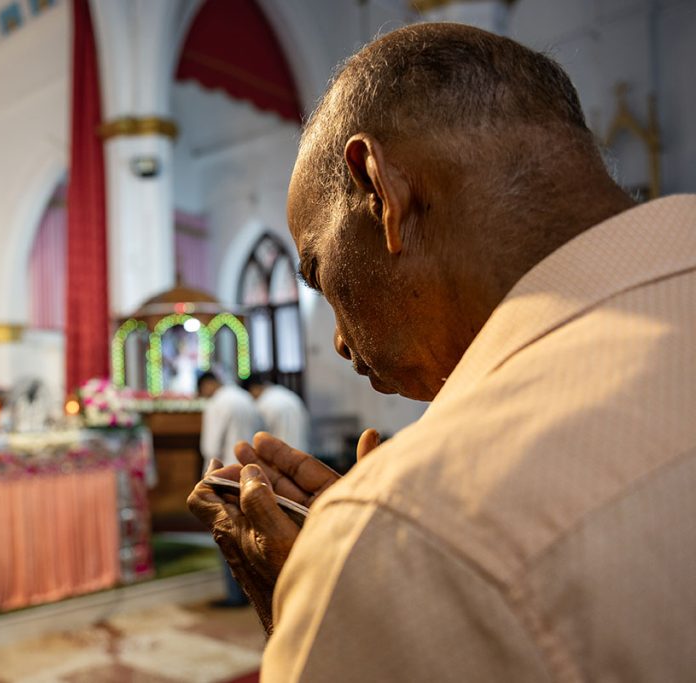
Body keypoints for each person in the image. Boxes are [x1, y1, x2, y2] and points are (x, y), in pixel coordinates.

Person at [188, 23, 696, 681]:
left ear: (381, 192)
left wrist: (336, 598)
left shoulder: (418, 534)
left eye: (318, 272)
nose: (339, 339)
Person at [197, 371, 264, 607]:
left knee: (226, 534)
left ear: (207, 385)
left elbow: (211, 445)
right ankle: (255, 592)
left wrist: (206, 481)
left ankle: (235, 595)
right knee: (251, 534)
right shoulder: (244, 398)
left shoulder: (218, 403)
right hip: (251, 473)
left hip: (224, 476)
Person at [243, 376, 310, 453]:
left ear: (253, 389)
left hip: (278, 456)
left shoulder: (263, 403)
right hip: (301, 453)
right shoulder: (287, 395)